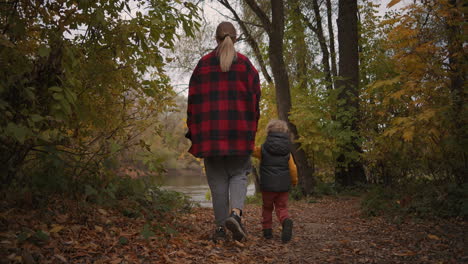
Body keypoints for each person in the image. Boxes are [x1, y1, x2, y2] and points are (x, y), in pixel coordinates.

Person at [185, 21, 261, 243]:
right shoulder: (247, 66)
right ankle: (235, 215)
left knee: (217, 182)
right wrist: (251, 128)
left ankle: (220, 230)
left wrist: (194, 132)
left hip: (210, 136)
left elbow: (193, 103)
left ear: (215, 39)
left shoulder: (203, 65)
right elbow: (255, 103)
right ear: (235, 39)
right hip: (239, 133)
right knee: (239, 175)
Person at [252, 119, 298, 243]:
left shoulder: (263, 149)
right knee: (281, 207)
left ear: (269, 132)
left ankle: (267, 231)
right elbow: (293, 169)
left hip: (267, 186)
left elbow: (252, 150)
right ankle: (285, 220)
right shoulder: (287, 151)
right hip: (283, 187)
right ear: (285, 132)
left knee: (267, 208)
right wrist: (294, 181)